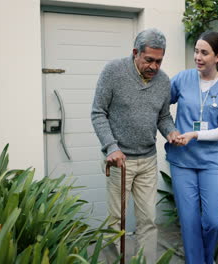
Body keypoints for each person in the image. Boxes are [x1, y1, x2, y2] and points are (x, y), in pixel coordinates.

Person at [91, 28, 180, 263]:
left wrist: (171, 132)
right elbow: (98, 112)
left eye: (159, 61)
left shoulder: (163, 81)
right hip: (119, 160)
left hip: (148, 160)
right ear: (135, 53)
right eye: (149, 59)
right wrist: (111, 146)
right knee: (115, 221)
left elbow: (163, 117)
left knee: (148, 220)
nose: (154, 66)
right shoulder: (113, 72)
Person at [165, 31, 218, 264]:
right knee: (189, 223)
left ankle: (207, 259)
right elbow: (159, 107)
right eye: (196, 51)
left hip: (210, 162)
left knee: (213, 220)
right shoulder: (182, 79)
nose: (198, 56)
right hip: (182, 162)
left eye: (204, 53)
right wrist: (170, 129)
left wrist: (194, 134)